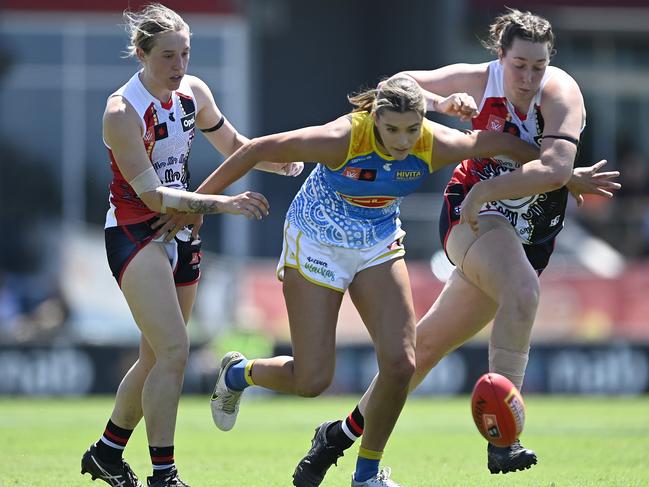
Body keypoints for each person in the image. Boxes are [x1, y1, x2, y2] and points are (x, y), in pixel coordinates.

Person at [289, 8, 622, 487]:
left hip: (528, 231)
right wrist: (441, 102)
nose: (528, 78)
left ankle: (337, 437)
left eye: (538, 66)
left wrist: (549, 178)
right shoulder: (478, 78)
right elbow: (397, 84)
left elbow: (551, 169)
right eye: (519, 65)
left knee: (420, 352)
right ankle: (503, 441)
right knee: (523, 292)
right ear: (499, 57)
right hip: (471, 215)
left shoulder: (561, 93)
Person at [196, 73, 561, 487]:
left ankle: (366, 474)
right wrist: (199, 206)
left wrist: (565, 172)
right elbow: (257, 149)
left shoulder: (435, 143)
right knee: (312, 381)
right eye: (392, 129)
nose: (403, 141)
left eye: (411, 129)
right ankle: (238, 374)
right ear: (374, 118)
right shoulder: (341, 138)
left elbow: (502, 144)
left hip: (378, 240)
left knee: (402, 364)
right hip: (318, 238)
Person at [80, 4, 300, 487]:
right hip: (136, 234)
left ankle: (107, 452)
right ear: (140, 54)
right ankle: (165, 474)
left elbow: (235, 144)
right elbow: (152, 195)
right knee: (176, 350)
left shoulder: (193, 92)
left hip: (182, 233)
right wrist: (223, 203)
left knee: (157, 356)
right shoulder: (122, 111)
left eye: (185, 54)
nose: (179, 66)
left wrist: (275, 163)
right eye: (167, 57)